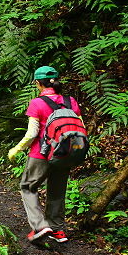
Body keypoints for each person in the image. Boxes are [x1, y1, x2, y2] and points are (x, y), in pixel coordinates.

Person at [8, 65, 83, 243]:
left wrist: (17, 149)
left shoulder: (36, 103)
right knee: (57, 191)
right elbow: (80, 127)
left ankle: (40, 227)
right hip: (65, 153)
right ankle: (57, 230)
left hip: (41, 154)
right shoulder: (70, 100)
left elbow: (32, 133)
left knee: (28, 186)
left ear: (37, 83)